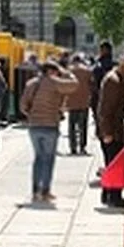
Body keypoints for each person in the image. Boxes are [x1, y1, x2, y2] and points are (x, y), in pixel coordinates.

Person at [20, 60, 79, 202]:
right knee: (48, 159)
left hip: (34, 126)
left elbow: (23, 106)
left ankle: (35, 191)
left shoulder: (31, 84)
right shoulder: (55, 82)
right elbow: (74, 84)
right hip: (50, 126)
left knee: (38, 158)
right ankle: (45, 191)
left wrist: (32, 116)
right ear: (52, 71)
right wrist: (67, 72)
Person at [97, 50, 124, 207]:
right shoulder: (113, 81)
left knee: (111, 164)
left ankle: (108, 194)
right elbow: (105, 109)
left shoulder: (118, 79)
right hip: (112, 131)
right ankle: (113, 196)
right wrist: (107, 132)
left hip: (115, 129)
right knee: (114, 164)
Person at [66, 54, 93, 156]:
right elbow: (92, 84)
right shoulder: (87, 71)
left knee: (72, 126)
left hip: (71, 102)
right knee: (83, 126)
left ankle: (73, 147)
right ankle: (82, 147)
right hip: (84, 102)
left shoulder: (69, 71)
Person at [90, 41, 115, 125]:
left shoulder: (98, 64)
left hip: (99, 95)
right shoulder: (114, 65)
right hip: (110, 96)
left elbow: (93, 80)